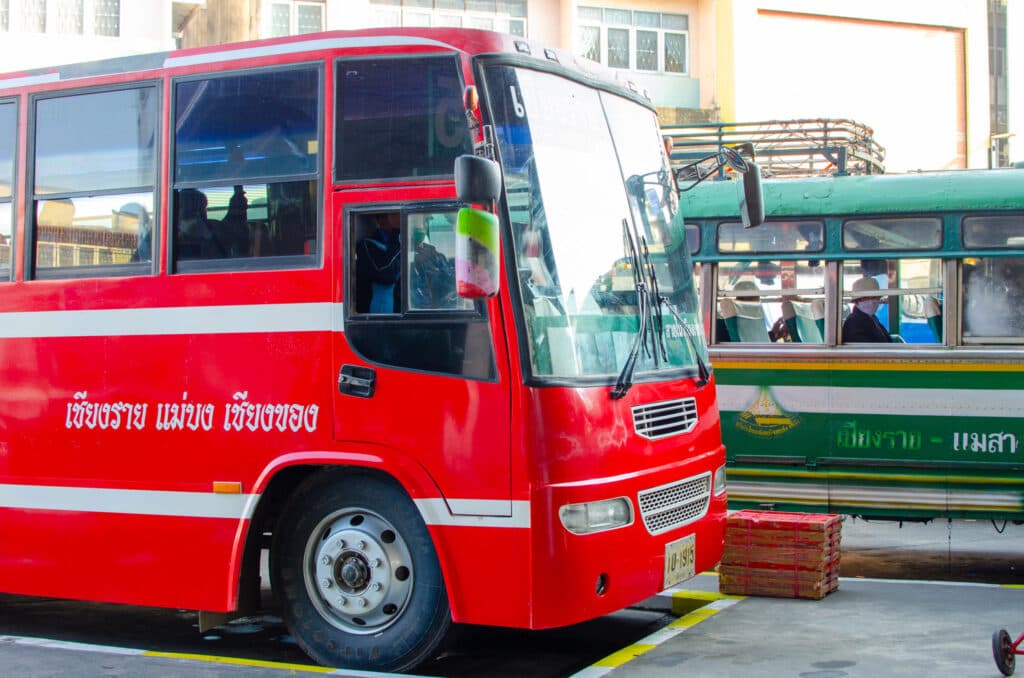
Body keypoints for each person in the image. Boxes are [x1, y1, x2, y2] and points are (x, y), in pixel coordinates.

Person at [176, 187, 249, 259]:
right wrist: (238, 196)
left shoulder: (169, 233)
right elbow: (235, 220)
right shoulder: (218, 227)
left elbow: (234, 219)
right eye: (203, 207)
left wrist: (238, 196)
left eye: (203, 207)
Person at [355, 212, 402, 313]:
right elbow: (386, 273)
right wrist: (397, 234)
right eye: (395, 215)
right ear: (381, 220)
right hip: (378, 315)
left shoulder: (404, 243)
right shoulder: (366, 245)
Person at [409, 223, 456, 309]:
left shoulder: (431, 249)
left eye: (423, 228)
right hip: (424, 306)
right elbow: (418, 286)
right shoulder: (408, 254)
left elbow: (445, 269)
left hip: (441, 300)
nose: (422, 231)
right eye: (418, 230)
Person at [842, 276, 892, 343]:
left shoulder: (872, 318)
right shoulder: (854, 323)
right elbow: (868, 351)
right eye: (866, 298)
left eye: (876, 297)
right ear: (857, 301)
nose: (872, 302)